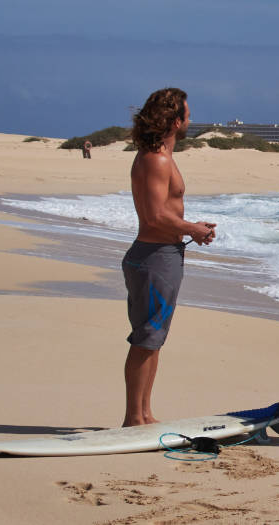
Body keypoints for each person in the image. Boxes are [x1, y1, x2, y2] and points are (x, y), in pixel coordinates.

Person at [120, 87, 216, 427]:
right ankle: (133, 417)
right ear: (176, 121)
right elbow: (154, 216)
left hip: (163, 254)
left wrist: (189, 228)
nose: (190, 119)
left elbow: (163, 212)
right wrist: (192, 228)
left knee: (154, 338)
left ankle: (145, 413)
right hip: (154, 257)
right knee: (146, 339)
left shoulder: (161, 156)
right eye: (188, 114)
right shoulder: (156, 159)